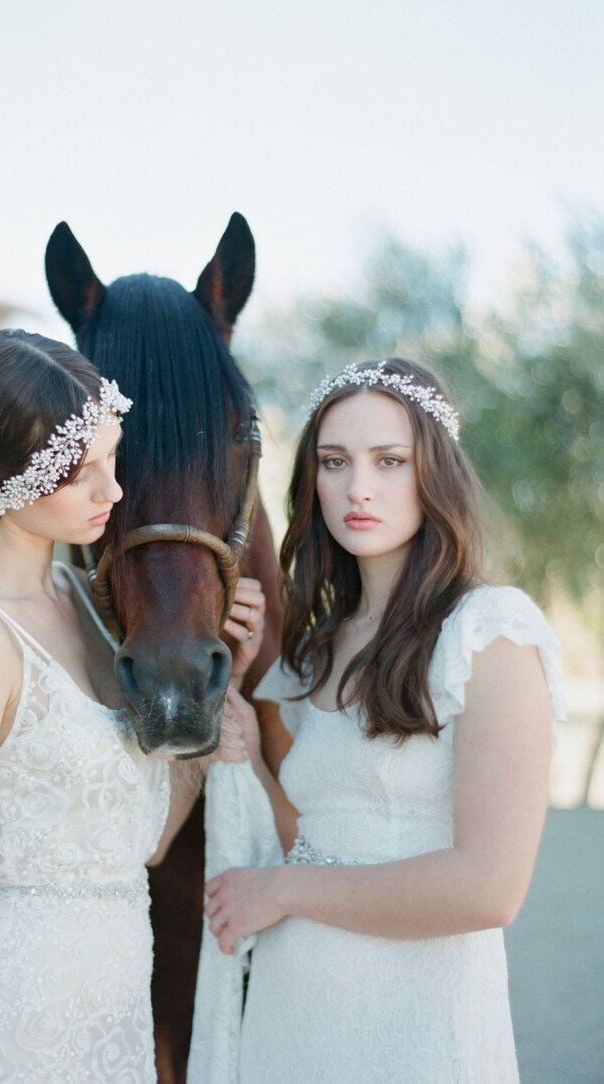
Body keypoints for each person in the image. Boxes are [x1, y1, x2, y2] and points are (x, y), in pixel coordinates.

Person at [0, 329, 263, 1084]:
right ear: (3, 479)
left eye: (112, 457)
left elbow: (145, 844)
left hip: (112, 1036)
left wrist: (220, 690)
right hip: (12, 1035)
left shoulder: (77, 600)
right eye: (80, 471)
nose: (114, 492)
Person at [204, 357, 565, 1083]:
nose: (357, 488)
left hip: (415, 1022)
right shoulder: (317, 646)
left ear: (436, 473)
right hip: (291, 1013)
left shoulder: (489, 633)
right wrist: (237, 718)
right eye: (334, 462)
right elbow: (315, 838)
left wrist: (278, 891)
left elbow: (489, 888)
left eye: (389, 460)